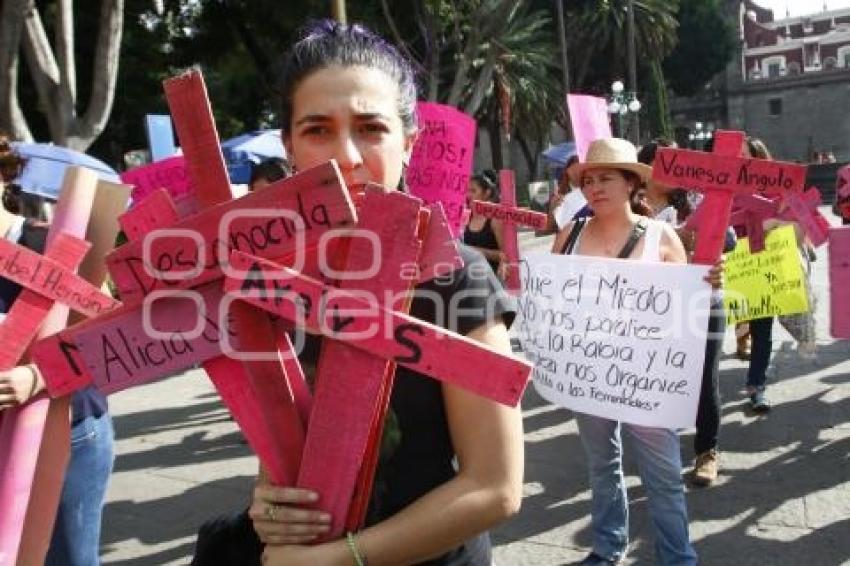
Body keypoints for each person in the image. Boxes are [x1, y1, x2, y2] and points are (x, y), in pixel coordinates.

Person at [193, 21, 523, 566]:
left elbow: (495, 487)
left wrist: (337, 559)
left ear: (408, 142)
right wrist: (272, 504)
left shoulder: (454, 277)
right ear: (289, 146)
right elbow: (283, 440)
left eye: (370, 128)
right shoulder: (268, 275)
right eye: (318, 130)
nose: (346, 154)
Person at [552, 137, 720, 566]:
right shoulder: (569, 235)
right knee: (601, 464)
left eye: (606, 178)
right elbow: (552, 299)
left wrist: (705, 287)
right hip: (587, 371)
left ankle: (678, 557)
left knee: (662, 475)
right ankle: (608, 546)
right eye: (588, 180)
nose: (595, 187)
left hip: (646, 375)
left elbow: (685, 309)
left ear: (632, 184)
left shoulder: (661, 237)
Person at [0, 134, 114, 566]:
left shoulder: (51, 245)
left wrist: (38, 376)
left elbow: (110, 340)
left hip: (71, 431)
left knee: (69, 560)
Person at [636, 139, 732, 487]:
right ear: (645, 170)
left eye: (678, 163)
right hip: (655, 311)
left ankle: (707, 452)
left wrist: (714, 257)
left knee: (706, 380)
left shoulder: (697, 200)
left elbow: (729, 237)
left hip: (704, 303)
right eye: (666, 163)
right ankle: (659, 451)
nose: (675, 171)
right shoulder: (630, 211)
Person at [463, 171, 506, 276]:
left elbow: (506, 255)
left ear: (487, 193)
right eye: (466, 191)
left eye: (473, 191)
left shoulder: (495, 219)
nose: (468, 195)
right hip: (468, 280)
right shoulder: (465, 217)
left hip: (491, 280)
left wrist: (476, 252)